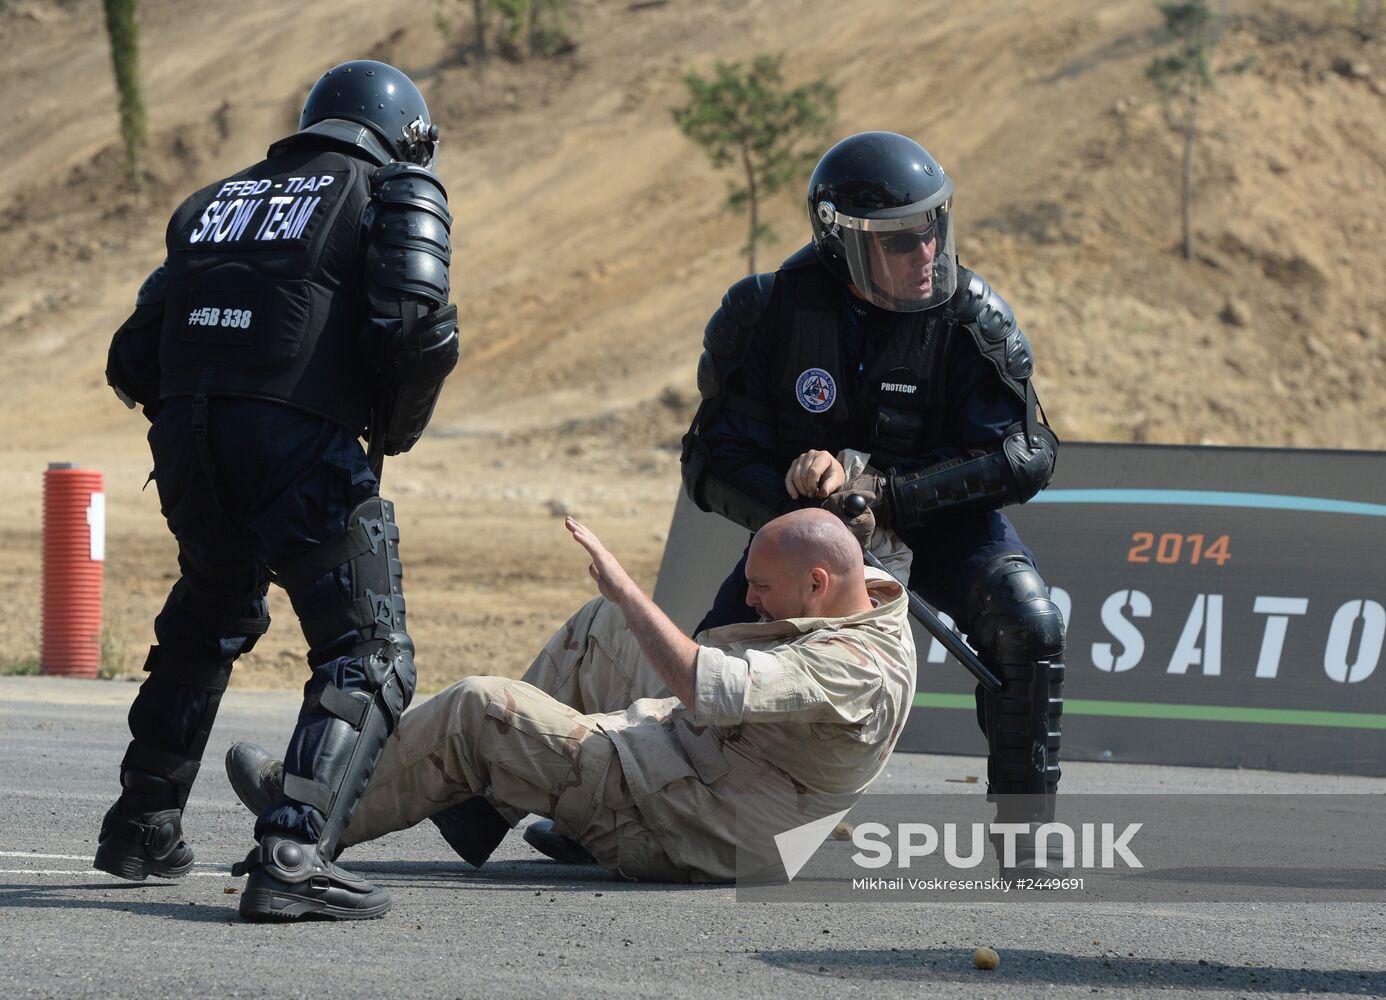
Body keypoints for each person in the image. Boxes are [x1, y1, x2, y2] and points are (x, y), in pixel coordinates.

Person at [96, 59, 459, 921]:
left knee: (211, 612)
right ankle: (294, 855)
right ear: (405, 133)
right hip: (298, 442)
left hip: (188, 441)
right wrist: (386, 434)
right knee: (369, 653)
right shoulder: (391, 185)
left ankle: (142, 826)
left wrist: (207, 417)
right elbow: (418, 325)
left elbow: (132, 354)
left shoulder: (216, 201)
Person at [679, 130, 1066, 872]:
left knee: (1031, 625)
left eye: (933, 230)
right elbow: (709, 459)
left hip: (941, 525)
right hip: (809, 541)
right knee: (705, 664)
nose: (926, 254)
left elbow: (1026, 454)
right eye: (900, 242)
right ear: (842, 242)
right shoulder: (767, 311)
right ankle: (613, 804)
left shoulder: (971, 314)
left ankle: (1027, 843)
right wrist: (795, 496)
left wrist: (889, 497)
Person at [224, 510, 916, 882]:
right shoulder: (866, 599)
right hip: (712, 763)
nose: (751, 596)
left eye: (761, 585)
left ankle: (311, 818)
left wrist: (627, 586)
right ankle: (478, 807)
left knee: (480, 709)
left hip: (693, 826)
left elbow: (708, 689)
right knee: (605, 627)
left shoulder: (853, 665)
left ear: (818, 584)